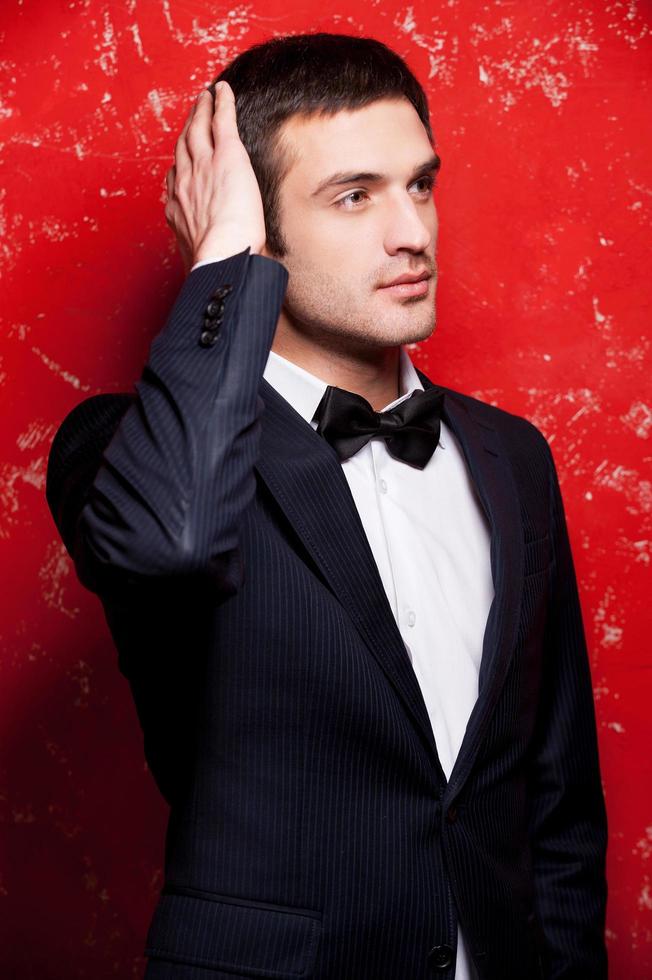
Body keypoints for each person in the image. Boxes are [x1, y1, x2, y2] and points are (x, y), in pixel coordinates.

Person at [45, 32, 608, 980]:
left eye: (419, 185)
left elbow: (555, 801)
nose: (413, 232)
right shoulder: (126, 449)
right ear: (258, 225)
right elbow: (172, 544)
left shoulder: (512, 457)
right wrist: (221, 263)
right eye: (355, 196)